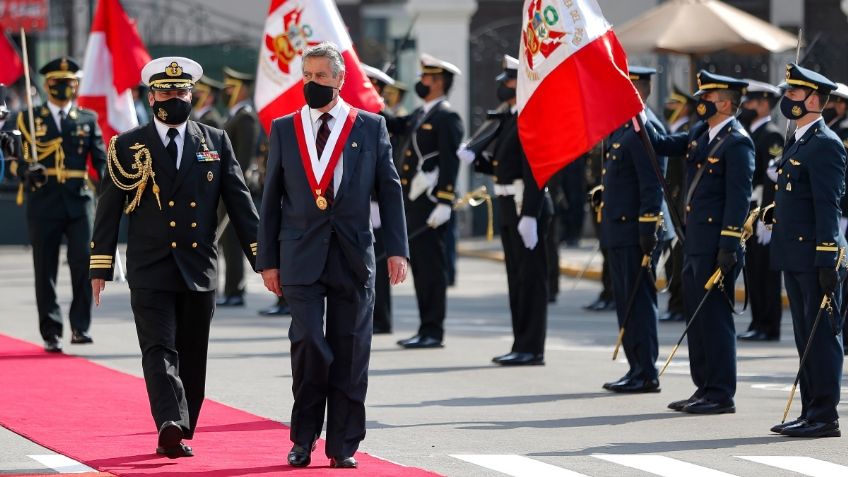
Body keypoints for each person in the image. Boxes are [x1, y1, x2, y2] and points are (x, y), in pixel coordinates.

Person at [90, 57, 259, 457]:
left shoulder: (215, 141)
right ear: (151, 96)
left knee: (192, 352)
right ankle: (169, 420)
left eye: (181, 92)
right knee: (158, 347)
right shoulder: (128, 145)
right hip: (149, 267)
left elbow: (240, 204)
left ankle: (182, 424)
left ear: (192, 94)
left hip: (199, 267)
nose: (174, 98)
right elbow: (108, 209)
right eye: (166, 92)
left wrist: (264, 260)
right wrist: (100, 264)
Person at [257, 42, 408, 469]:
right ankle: (302, 438)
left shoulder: (369, 126)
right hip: (300, 255)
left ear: (340, 80)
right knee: (308, 344)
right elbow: (271, 199)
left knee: (351, 349)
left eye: (321, 76)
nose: (313, 83)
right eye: (307, 75)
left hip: (352, 255)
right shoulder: (285, 127)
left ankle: (342, 444)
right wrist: (268, 260)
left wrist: (397, 250)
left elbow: (390, 191)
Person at [647, 71, 754, 415]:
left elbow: (738, 199)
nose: (700, 103)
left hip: (716, 244)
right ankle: (703, 387)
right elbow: (663, 145)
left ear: (724, 103)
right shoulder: (699, 133)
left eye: (706, 99)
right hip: (694, 241)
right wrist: (635, 111)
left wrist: (728, 244)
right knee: (696, 318)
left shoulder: (737, 141)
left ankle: (721, 392)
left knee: (715, 319)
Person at [767, 64, 845, 438]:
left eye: (794, 94)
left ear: (813, 99)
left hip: (816, 257)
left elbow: (828, 205)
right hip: (794, 255)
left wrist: (828, 257)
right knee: (804, 337)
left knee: (821, 337)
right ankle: (809, 410)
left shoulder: (826, 144)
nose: (787, 99)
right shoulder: (798, 139)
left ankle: (824, 416)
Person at [8, 57, 106, 352]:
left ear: (76, 85)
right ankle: (51, 331)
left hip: (79, 201)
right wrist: (25, 169)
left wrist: (113, 187)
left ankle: (80, 327)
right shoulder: (28, 118)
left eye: (69, 82)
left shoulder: (87, 119)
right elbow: (18, 154)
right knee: (45, 268)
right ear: (48, 84)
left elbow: (100, 160)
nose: (64, 88)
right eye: (58, 83)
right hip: (44, 200)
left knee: (83, 264)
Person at [458, 55, 550, 365]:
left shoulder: (532, 117)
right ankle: (520, 343)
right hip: (510, 205)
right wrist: (478, 160)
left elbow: (537, 170)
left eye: (508, 81)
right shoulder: (510, 118)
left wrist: (531, 215)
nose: (503, 87)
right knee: (516, 279)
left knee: (531, 280)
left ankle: (532, 348)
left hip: (527, 205)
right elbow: (503, 166)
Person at [387, 54, 463, 349]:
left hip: (432, 206)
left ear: (439, 82)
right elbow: (394, 124)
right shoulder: (422, 114)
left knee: (432, 271)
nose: (420, 82)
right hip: (414, 205)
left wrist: (445, 201)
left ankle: (433, 330)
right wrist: (368, 98)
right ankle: (424, 327)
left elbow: (450, 162)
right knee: (421, 270)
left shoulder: (447, 117)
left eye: (425, 78)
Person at [600, 66, 668, 393]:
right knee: (626, 301)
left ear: (636, 90)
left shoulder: (644, 127)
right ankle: (635, 367)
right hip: (617, 228)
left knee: (639, 302)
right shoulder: (623, 126)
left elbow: (651, 182)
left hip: (633, 231)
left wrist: (648, 226)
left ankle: (646, 371)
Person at [736, 80, 784, 342]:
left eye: (751, 102)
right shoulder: (750, 132)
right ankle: (758, 321)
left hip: (762, 213)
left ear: (764, 104)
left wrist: (768, 217)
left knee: (767, 271)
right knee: (753, 269)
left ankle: (769, 324)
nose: (746, 107)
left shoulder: (771, 135)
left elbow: (772, 182)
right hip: (749, 211)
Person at [216, 67, 260, 307]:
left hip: (235, 190)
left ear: (241, 89)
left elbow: (242, 159)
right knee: (226, 243)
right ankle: (229, 288)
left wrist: (232, 188)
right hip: (224, 189)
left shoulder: (245, 118)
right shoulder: (233, 116)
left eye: (231, 87)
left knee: (233, 242)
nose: (227, 91)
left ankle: (236, 290)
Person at [363, 63, 398, 334]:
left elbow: (386, 168)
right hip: (363, 204)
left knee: (378, 262)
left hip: (376, 204)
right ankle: (372, 316)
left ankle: (381, 319)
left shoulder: (383, 119)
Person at [659, 85, 697, 323]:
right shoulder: (670, 129)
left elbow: (685, 175)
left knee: (679, 256)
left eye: (675, 104)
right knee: (670, 256)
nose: (669, 107)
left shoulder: (687, 131)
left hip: (679, 203)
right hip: (669, 201)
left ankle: (680, 304)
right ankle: (674, 303)